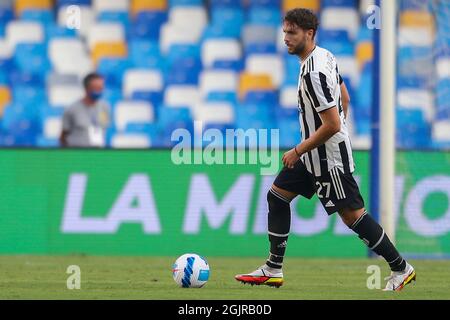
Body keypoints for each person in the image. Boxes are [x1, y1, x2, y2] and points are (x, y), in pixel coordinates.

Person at [235, 8, 416, 292]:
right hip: (314, 154)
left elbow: (330, 124)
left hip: (328, 158)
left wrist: (298, 149)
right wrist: (331, 132)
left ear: (309, 33)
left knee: (353, 216)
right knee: (277, 196)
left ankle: (401, 267)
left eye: (292, 32)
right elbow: (344, 96)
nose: (286, 38)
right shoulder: (326, 56)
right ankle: (273, 268)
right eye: (284, 32)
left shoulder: (313, 73)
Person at [60, 73, 110, 148]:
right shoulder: (72, 109)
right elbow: (63, 136)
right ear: (87, 88)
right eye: (96, 88)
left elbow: (104, 127)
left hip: (97, 152)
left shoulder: (105, 107)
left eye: (101, 88)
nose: (99, 91)